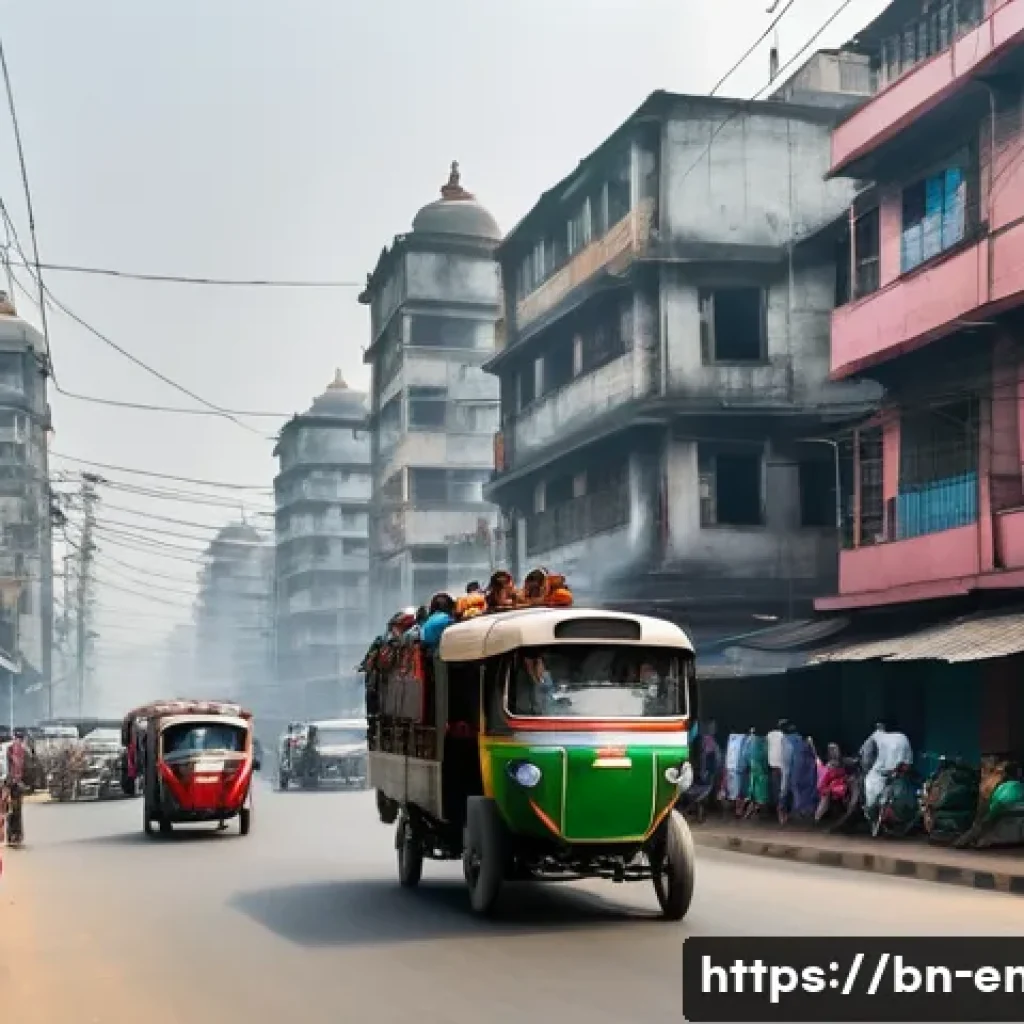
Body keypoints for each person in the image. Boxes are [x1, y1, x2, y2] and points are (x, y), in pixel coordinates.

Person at [862, 721, 912, 814]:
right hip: (896, 776)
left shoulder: (873, 738)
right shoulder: (902, 737)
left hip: (880, 776)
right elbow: (907, 763)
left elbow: (866, 761)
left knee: (874, 806)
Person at [766, 719, 787, 812]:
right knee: (783, 788)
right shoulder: (784, 736)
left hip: (772, 764)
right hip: (782, 765)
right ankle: (781, 807)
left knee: (775, 787)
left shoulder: (769, 735)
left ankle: (775, 806)